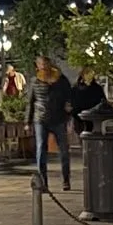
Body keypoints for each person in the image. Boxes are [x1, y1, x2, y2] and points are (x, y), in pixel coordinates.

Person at [29, 56, 75, 190]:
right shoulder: (35, 81)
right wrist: (28, 121)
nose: (44, 66)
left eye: (46, 64)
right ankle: (43, 182)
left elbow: (69, 96)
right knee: (41, 149)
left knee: (64, 150)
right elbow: (31, 101)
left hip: (59, 118)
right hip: (40, 118)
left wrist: (69, 112)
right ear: (37, 66)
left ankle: (66, 179)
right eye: (41, 64)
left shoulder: (61, 79)